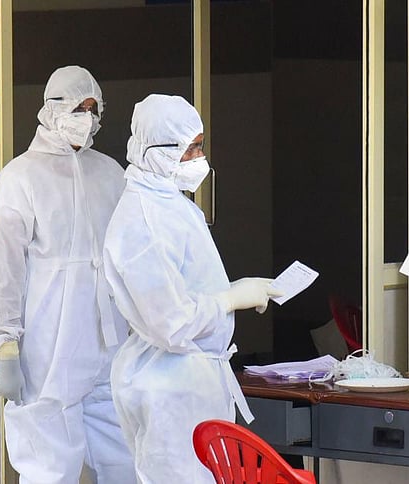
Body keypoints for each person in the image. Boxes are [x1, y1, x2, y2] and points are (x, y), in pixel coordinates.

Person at [103, 94, 282, 483]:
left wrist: (236, 292)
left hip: (191, 380)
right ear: (156, 150)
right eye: (191, 148)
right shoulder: (143, 221)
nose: (200, 157)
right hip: (169, 388)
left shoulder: (171, 203)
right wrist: (230, 298)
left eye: (201, 145)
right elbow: (170, 322)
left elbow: (187, 288)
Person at [0, 66, 136, 483]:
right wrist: (5, 343)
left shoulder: (110, 173)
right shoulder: (21, 176)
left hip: (109, 340)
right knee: (50, 468)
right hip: (49, 344)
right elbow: (2, 267)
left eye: (92, 108)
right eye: (76, 108)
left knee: (124, 457)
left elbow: (130, 253)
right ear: (50, 110)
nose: (85, 117)